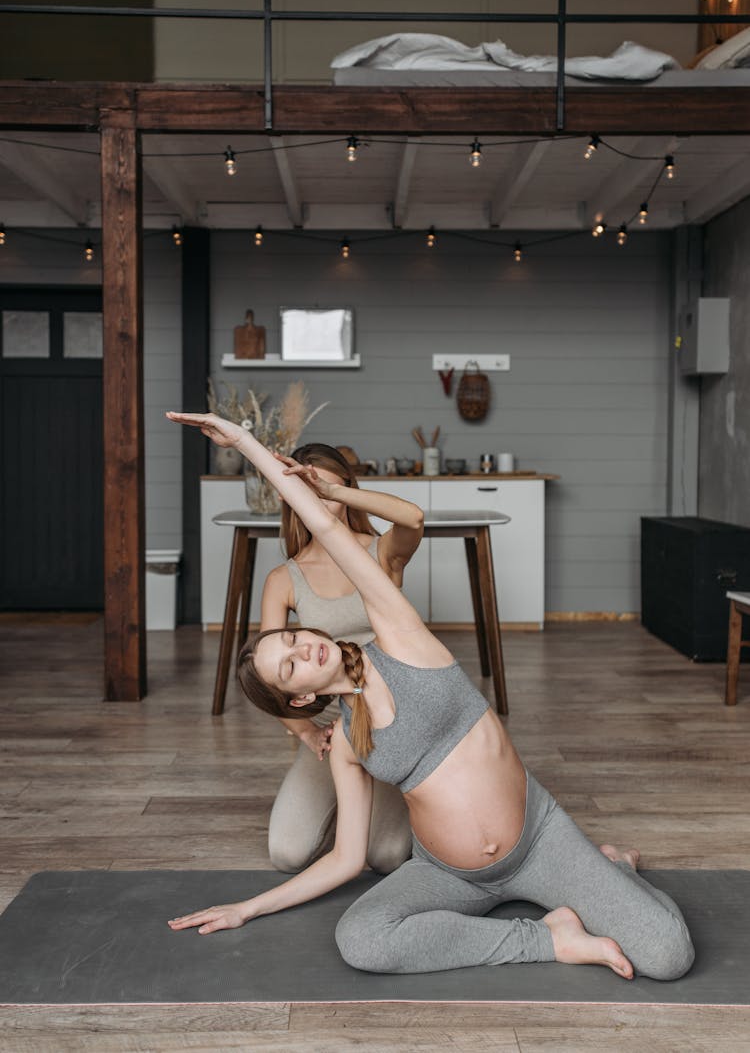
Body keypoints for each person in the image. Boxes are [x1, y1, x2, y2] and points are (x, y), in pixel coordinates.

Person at [167, 411, 695, 982]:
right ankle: (549, 938)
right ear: (297, 700)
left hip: (538, 842)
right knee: (360, 938)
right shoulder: (344, 740)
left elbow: (328, 530)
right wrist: (246, 908)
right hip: (450, 874)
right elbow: (346, 860)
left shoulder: (400, 638)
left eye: (295, 638)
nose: (302, 651)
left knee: (669, 955)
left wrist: (246, 442)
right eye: (288, 666)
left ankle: (611, 870)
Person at [260, 441, 420, 875]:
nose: (318, 497)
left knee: (387, 857)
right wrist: (307, 733)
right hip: (335, 726)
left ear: (347, 489)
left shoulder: (381, 553)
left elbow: (413, 518)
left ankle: (369, 807)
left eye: (327, 487)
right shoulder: (283, 579)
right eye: (308, 489)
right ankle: (347, 805)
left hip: (390, 716)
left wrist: (335, 493)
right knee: (287, 853)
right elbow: (270, 680)